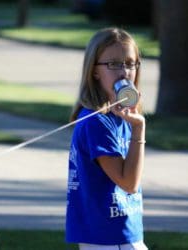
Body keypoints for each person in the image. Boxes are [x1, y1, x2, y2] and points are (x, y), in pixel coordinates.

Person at [65, 27, 148, 250]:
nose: (124, 72)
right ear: (94, 71)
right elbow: (129, 183)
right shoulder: (97, 122)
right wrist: (139, 130)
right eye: (113, 64)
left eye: (130, 63)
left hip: (121, 235)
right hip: (110, 239)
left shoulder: (122, 117)